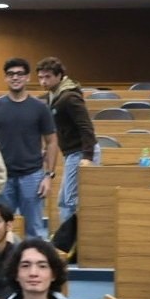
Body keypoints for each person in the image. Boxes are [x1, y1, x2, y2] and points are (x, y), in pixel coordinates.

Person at [0, 56, 58, 241]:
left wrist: (48, 176)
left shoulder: (40, 108)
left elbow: (51, 141)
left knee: (35, 230)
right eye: (10, 74)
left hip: (32, 176)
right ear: (5, 78)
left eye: (19, 74)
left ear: (27, 78)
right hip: (2, 177)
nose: (15, 77)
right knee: (0, 230)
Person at [40, 55, 97, 226]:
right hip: (71, 153)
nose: (43, 81)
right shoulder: (52, 96)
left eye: (48, 77)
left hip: (80, 152)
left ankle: (72, 244)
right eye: (41, 77)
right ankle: (69, 243)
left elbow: (86, 127)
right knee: (65, 201)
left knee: (69, 201)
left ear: (59, 76)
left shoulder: (69, 97)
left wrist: (87, 157)